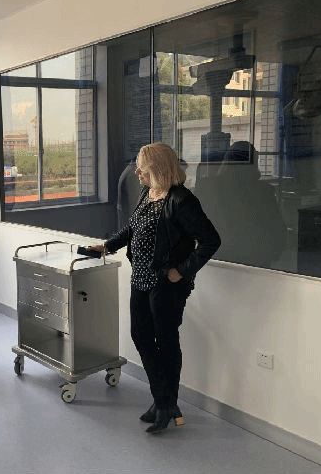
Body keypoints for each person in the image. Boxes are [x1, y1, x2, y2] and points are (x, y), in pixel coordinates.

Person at [90, 142, 220, 433]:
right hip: (140, 279)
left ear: (158, 169)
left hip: (166, 284)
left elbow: (210, 240)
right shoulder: (148, 193)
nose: (137, 173)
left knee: (166, 341)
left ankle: (163, 404)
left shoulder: (182, 200)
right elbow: (132, 229)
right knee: (141, 336)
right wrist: (107, 246)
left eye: (142, 169)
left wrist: (181, 271)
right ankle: (165, 402)